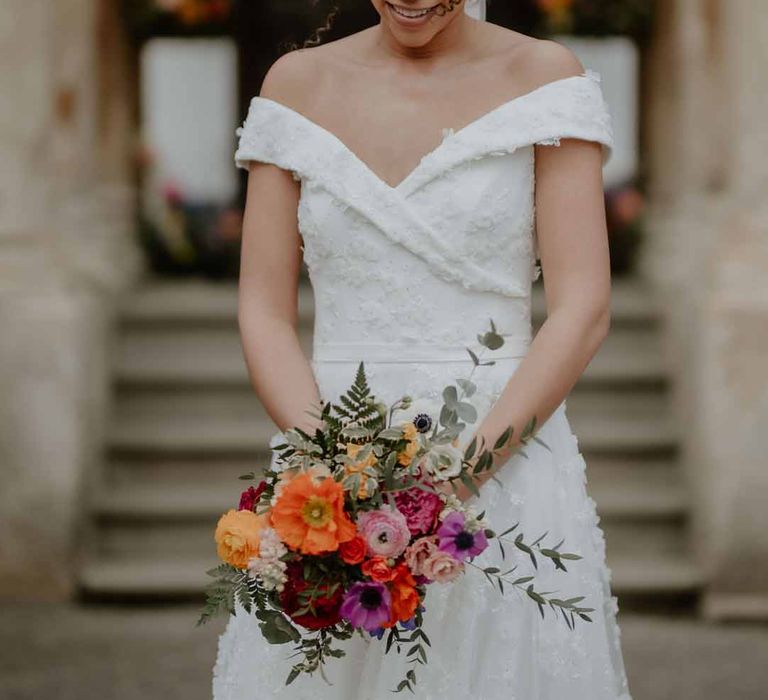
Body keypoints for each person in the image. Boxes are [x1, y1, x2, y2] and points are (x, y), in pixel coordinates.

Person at [213, 1, 631, 698]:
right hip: (332, 470)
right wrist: (337, 478)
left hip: (504, 473)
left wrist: (452, 487)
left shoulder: (542, 76)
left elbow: (582, 309)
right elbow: (263, 312)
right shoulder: (296, 85)